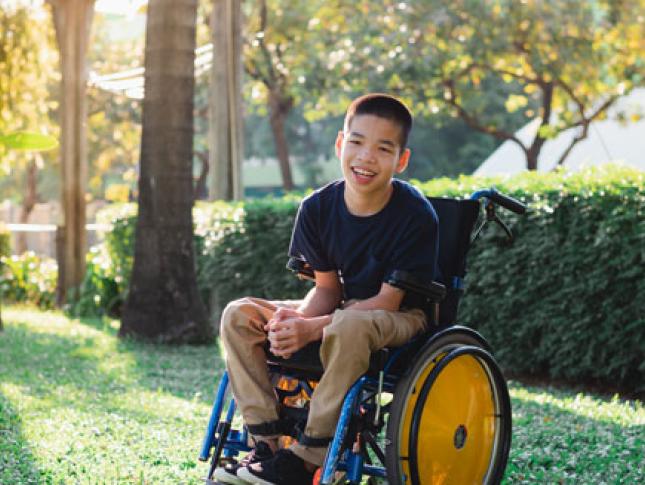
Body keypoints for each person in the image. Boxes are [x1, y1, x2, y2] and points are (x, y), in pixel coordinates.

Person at [214, 93, 439, 485]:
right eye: (356, 142)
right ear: (340, 144)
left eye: (382, 148)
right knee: (239, 315)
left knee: (348, 326)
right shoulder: (317, 207)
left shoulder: (415, 215)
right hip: (340, 312)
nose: (366, 157)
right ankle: (265, 445)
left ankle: (307, 460)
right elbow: (327, 290)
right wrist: (294, 321)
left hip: (400, 318)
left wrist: (311, 328)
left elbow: (387, 302)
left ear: (401, 160)